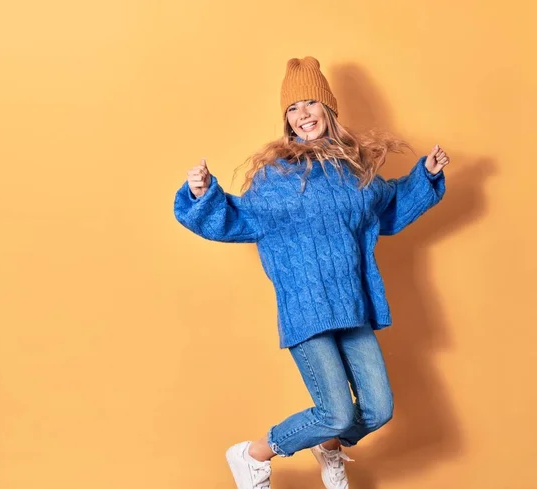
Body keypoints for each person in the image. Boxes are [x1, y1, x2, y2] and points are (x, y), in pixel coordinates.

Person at [173, 56, 450, 489]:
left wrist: (426, 176)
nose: (303, 115)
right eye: (292, 108)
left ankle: (328, 446)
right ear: (286, 121)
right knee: (336, 412)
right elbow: (237, 218)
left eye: (310, 104)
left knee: (378, 410)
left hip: (352, 307)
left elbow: (388, 209)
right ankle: (252, 455)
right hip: (307, 311)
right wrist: (202, 194)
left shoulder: (354, 172)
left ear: (328, 110)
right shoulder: (276, 178)